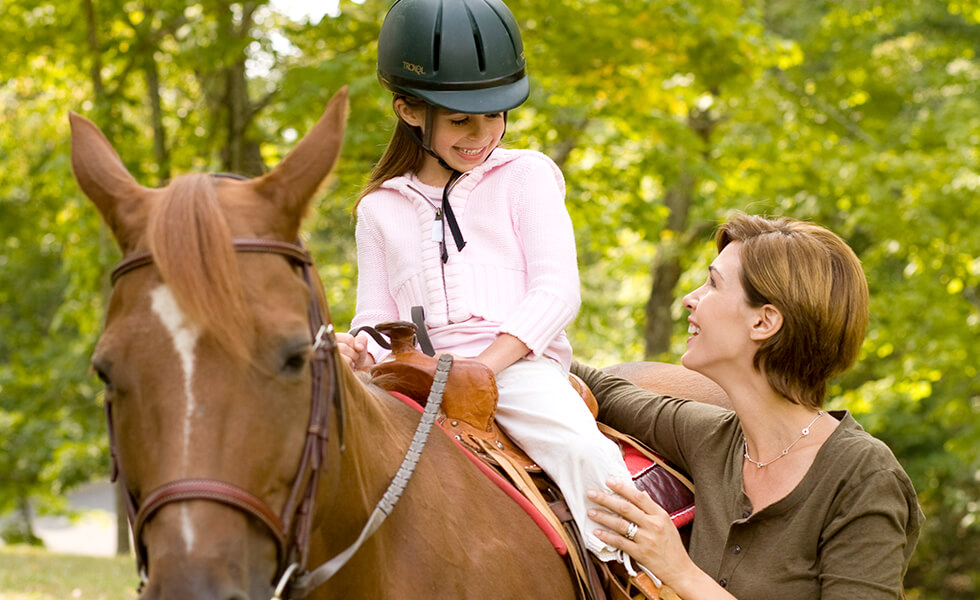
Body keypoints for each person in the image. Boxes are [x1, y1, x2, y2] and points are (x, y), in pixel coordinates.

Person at [336, 0, 633, 565]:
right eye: (460, 120)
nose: (482, 135)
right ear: (408, 110)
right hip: (410, 377)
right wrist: (359, 349)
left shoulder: (527, 176)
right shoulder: (378, 208)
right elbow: (374, 319)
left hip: (514, 371)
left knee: (581, 453)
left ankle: (636, 574)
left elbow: (556, 292)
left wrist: (480, 370)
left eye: (495, 115)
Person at [573, 213, 923, 598]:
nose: (690, 299)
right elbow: (604, 389)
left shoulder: (863, 476)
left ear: (764, 322)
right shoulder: (711, 438)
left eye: (712, 284)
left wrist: (680, 571)